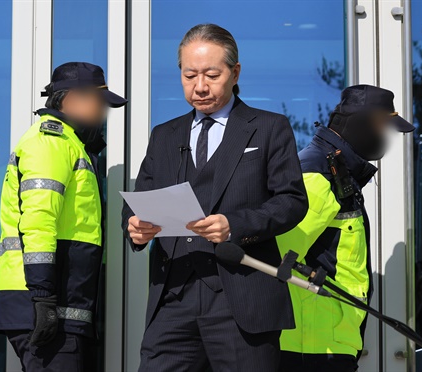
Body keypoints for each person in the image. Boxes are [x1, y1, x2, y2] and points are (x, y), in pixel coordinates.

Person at [121, 23, 308, 371]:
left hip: (242, 298)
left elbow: (293, 201)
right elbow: (135, 203)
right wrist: (134, 226)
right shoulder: (164, 135)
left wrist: (234, 225)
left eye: (212, 74)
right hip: (173, 296)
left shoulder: (269, 127)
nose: (200, 86)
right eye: (190, 75)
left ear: (235, 73)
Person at [0, 62, 127, 371]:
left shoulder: (68, 144)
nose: (103, 114)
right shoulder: (52, 143)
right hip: (43, 303)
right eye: (98, 103)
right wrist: (43, 299)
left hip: (53, 303)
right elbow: (38, 222)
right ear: (72, 100)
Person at [277, 85, 415, 372]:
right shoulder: (318, 174)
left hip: (329, 340)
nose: (385, 137)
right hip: (311, 345)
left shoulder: (337, 170)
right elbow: (281, 257)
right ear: (362, 124)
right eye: (383, 126)